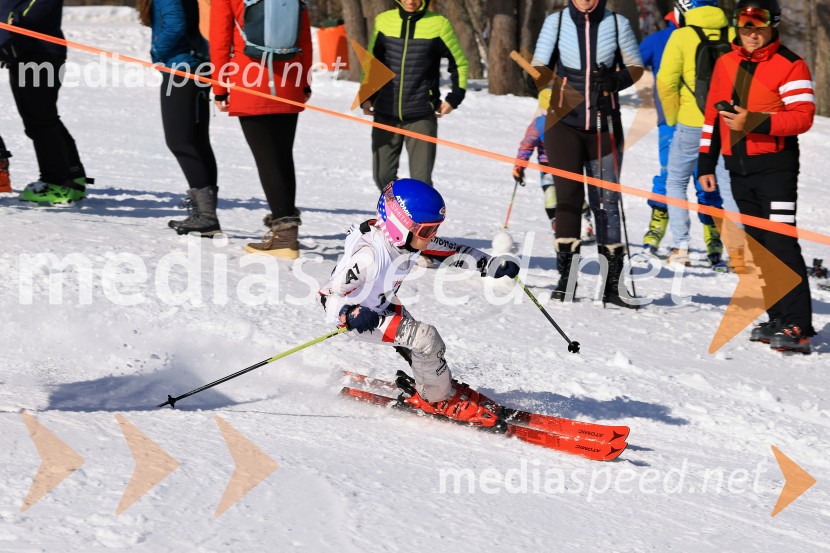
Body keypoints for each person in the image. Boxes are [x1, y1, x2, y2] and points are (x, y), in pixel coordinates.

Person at [318, 178, 520, 426]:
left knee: (421, 345)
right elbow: (328, 295)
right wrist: (349, 313)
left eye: (435, 228)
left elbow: (453, 251)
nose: (431, 236)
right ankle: (438, 399)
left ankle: (436, 385)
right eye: (427, 231)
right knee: (425, 339)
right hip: (361, 319)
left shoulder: (407, 239)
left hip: (384, 304)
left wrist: (489, 264)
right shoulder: (369, 256)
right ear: (398, 225)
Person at [698, 0, 816, 353]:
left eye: (758, 25)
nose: (751, 33)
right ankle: (777, 317)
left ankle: (798, 324)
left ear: (772, 24)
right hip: (738, 169)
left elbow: (802, 117)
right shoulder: (725, 62)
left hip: (776, 167)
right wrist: (706, 163)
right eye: (744, 25)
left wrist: (755, 121)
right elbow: (712, 116)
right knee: (760, 246)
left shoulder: (790, 64)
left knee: (781, 243)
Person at [532, 0, 643, 307]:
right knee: (567, 198)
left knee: (607, 201)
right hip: (563, 124)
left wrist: (616, 81)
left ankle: (613, 286)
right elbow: (539, 67)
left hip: (604, 123)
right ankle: (567, 280)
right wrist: (556, 89)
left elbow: (635, 67)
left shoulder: (617, 22)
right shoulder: (555, 22)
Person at [210, 0, 312, 258]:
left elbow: (220, 41)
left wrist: (220, 88)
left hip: (250, 82)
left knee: (268, 161)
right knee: (282, 157)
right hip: (290, 78)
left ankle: (285, 239)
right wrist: (305, 81)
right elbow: (305, 38)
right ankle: (287, 234)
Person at [637, 6, 728, 271]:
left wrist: (672, 117)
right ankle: (718, 239)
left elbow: (632, 65)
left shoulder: (668, 37)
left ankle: (667, 236)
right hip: (723, 123)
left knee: (670, 178)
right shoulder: (731, 33)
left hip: (679, 121)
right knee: (714, 180)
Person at [657, 0, 740, 268]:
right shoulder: (733, 33)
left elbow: (666, 82)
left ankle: (681, 249)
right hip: (728, 121)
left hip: (692, 122)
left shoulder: (681, 35)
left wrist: (672, 117)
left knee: (676, 182)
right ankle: (738, 254)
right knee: (728, 186)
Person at [361, 0, 467, 191]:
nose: (411, 1)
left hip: (421, 115)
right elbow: (371, 62)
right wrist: (366, 95)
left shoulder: (438, 24)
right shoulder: (383, 21)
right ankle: (398, 216)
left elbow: (459, 63)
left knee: (421, 183)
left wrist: (454, 98)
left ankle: (423, 219)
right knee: (382, 176)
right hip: (386, 111)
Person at [138, 0, 220, 237]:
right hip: (197, 64)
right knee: (196, 139)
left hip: (182, 67)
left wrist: (158, 51)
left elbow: (175, 23)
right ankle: (206, 216)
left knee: (179, 140)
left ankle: (205, 216)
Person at [0, 0, 91, 205]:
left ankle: (56, 183)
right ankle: (73, 176)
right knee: (43, 116)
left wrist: (15, 21)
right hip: (24, 49)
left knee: (39, 119)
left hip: (39, 50)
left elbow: (35, 8)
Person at [512, 89, 595, 243]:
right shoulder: (539, 124)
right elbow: (527, 145)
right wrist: (519, 165)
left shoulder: (570, 121)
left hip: (568, 164)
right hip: (548, 167)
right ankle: (557, 223)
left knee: (572, 194)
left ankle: (585, 220)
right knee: (551, 196)